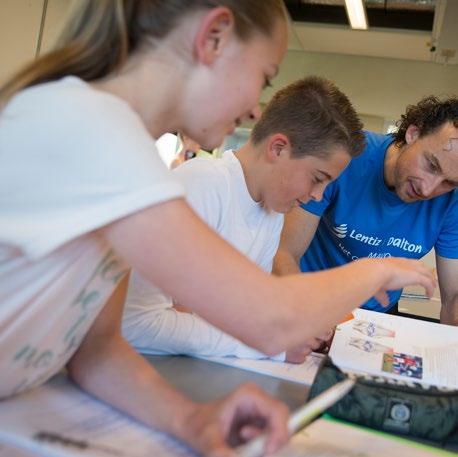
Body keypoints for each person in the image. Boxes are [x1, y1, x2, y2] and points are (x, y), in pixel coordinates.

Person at [0, 1, 435, 455]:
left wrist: (191, 420)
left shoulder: (128, 148)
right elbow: (270, 321)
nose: (253, 111)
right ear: (214, 38)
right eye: (263, 79)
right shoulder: (91, 128)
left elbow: (99, 349)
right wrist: (376, 271)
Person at [122, 76, 364, 364]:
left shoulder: (273, 209)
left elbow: (244, 309)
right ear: (278, 148)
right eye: (317, 179)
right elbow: (134, 324)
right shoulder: (202, 185)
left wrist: (296, 327)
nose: (317, 195)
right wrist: (268, 345)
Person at [274, 95, 458, 325]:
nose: (428, 189)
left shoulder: (452, 202)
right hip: (309, 298)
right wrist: (302, 316)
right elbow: (285, 252)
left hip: (376, 317)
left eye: (449, 182)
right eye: (431, 165)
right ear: (413, 134)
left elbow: (453, 298)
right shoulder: (350, 157)